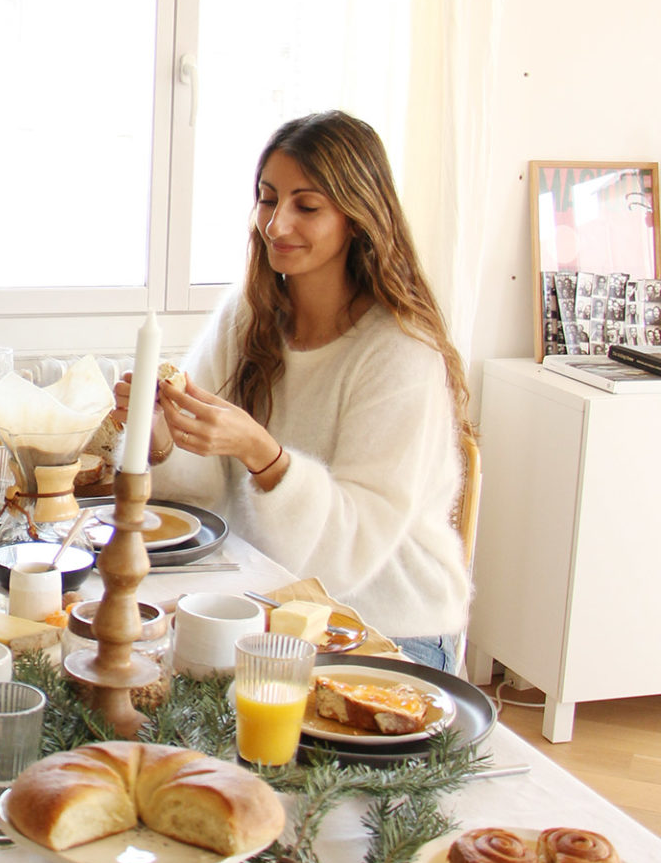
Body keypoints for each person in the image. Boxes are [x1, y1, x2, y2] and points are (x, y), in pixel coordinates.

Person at [120, 111, 471, 669]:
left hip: (388, 629)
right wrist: (161, 432)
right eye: (267, 199)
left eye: (306, 206)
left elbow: (346, 556)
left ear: (356, 218)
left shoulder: (400, 351)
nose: (277, 225)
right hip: (264, 604)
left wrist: (263, 456)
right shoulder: (248, 316)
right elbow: (200, 497)